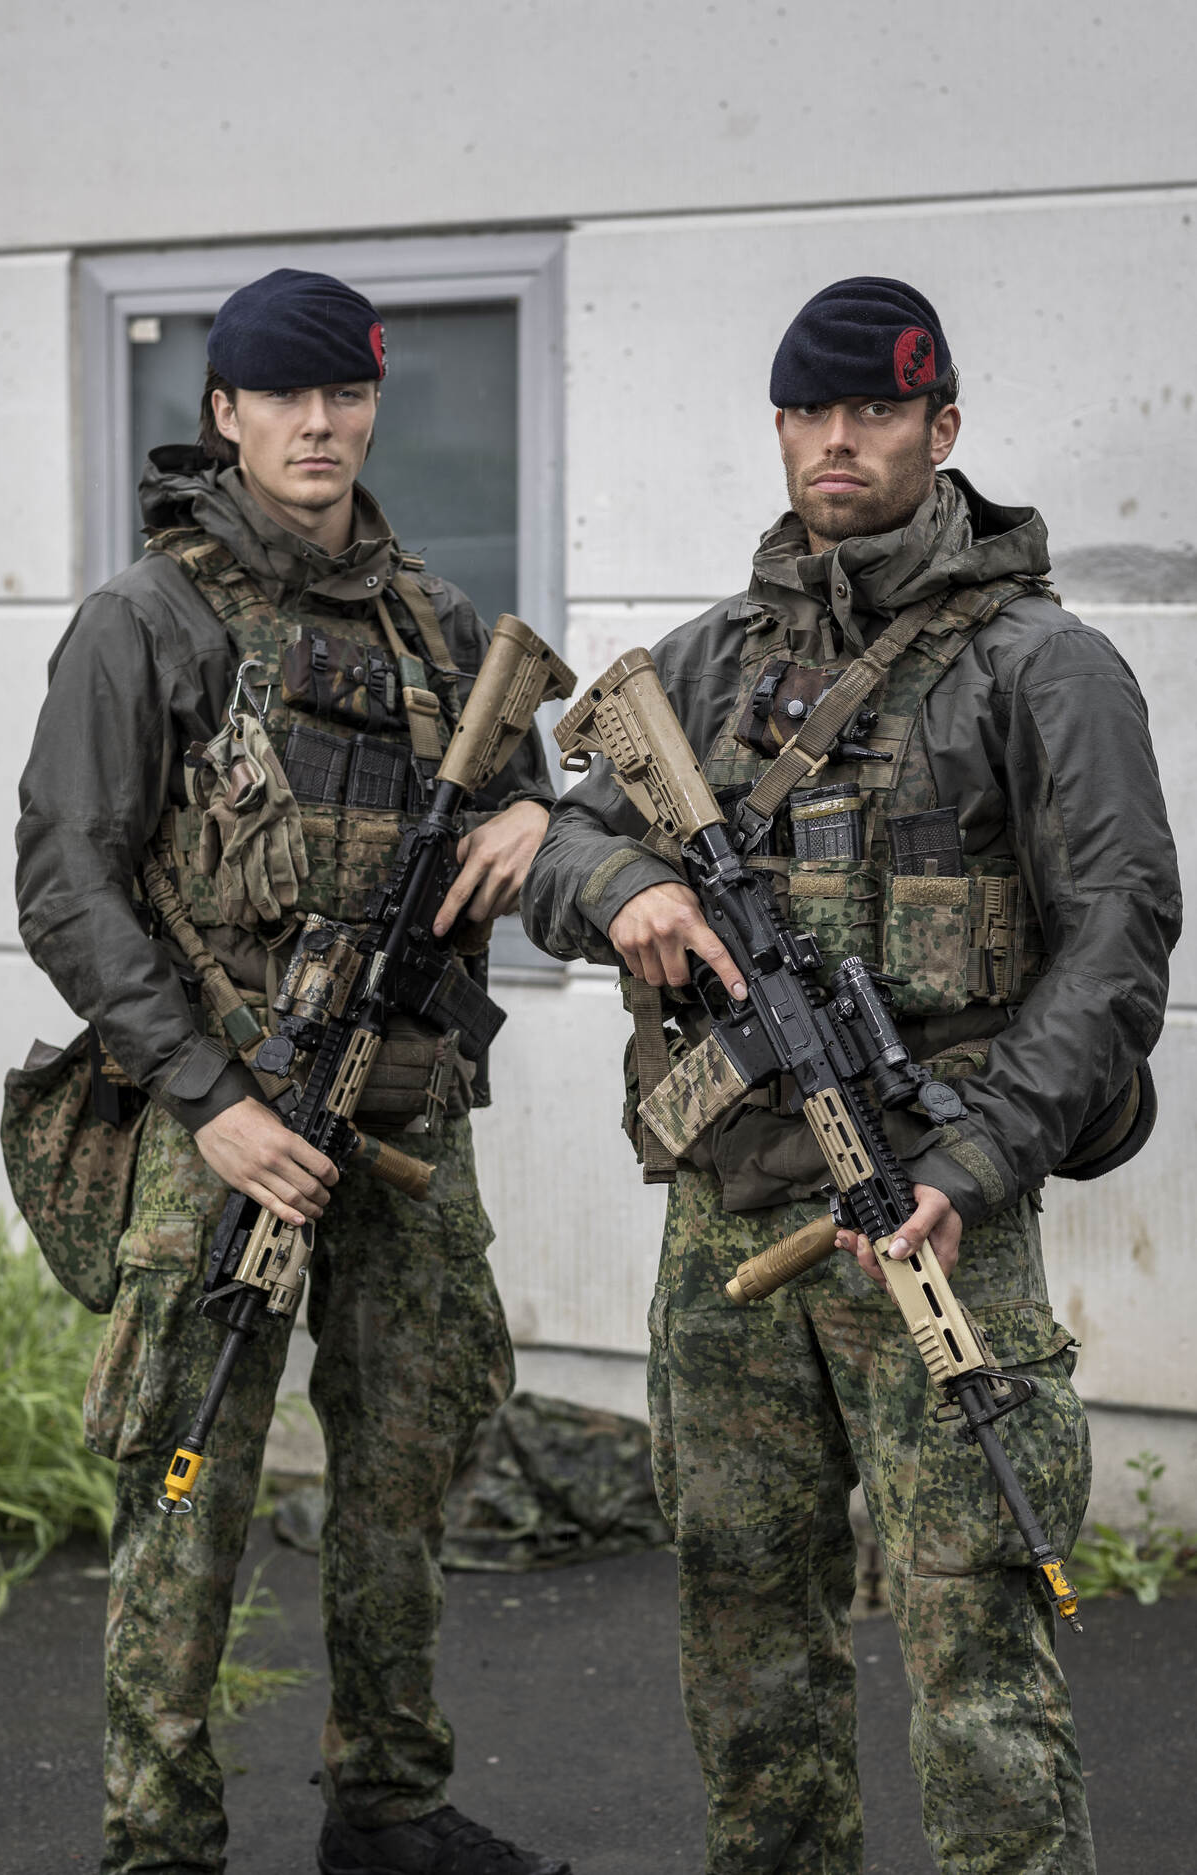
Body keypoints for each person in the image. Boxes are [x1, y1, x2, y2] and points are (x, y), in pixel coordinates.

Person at [521, 276, 1180, 1875]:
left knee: (971, 1635)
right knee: (743, 1618)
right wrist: (621, 887)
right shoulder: (702, 664)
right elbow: (551, 843)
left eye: (874, 410)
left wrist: (971, 1160)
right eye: (808, 413)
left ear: (939, 429)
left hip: (929, 1214)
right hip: (727, 1229)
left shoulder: (1042, 666)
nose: (837, 440)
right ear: (776, 431)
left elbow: (1118, 941)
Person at [16, 268, 571, 1875]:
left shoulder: (438, 626)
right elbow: (68, 885)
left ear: (373, 405)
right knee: (185, 1477)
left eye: (345, 394)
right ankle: (159, 1840)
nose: (317, 424)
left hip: (405, 1111)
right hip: (223, 1125)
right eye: (282, 396)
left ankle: (386, 1805)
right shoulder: (149, 620)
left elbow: (528, 820)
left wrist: (536, 821)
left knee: (407, 1463)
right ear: (226, 413)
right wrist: (211, 1100)